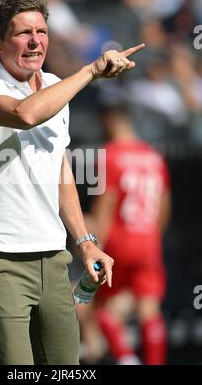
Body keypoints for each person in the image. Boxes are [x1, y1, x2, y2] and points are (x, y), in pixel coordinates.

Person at [0, 0, 145, 365]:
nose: (35, 42)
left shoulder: (58, 86)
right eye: (23, 33)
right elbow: (25, 114)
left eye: (41, 32)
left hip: (54, 258)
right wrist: (90, 71)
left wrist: (86, 243)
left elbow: (60, 172)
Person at [89, 103, 171, 365]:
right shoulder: (154, 156)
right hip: (148, 240)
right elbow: (164, 206)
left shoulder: (108, 154)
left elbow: (105, 207)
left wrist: (94, 247)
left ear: (111, 120)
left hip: (118, 241)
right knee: (149, 309)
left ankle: (126, 358)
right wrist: (152, 236)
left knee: (103, 309)